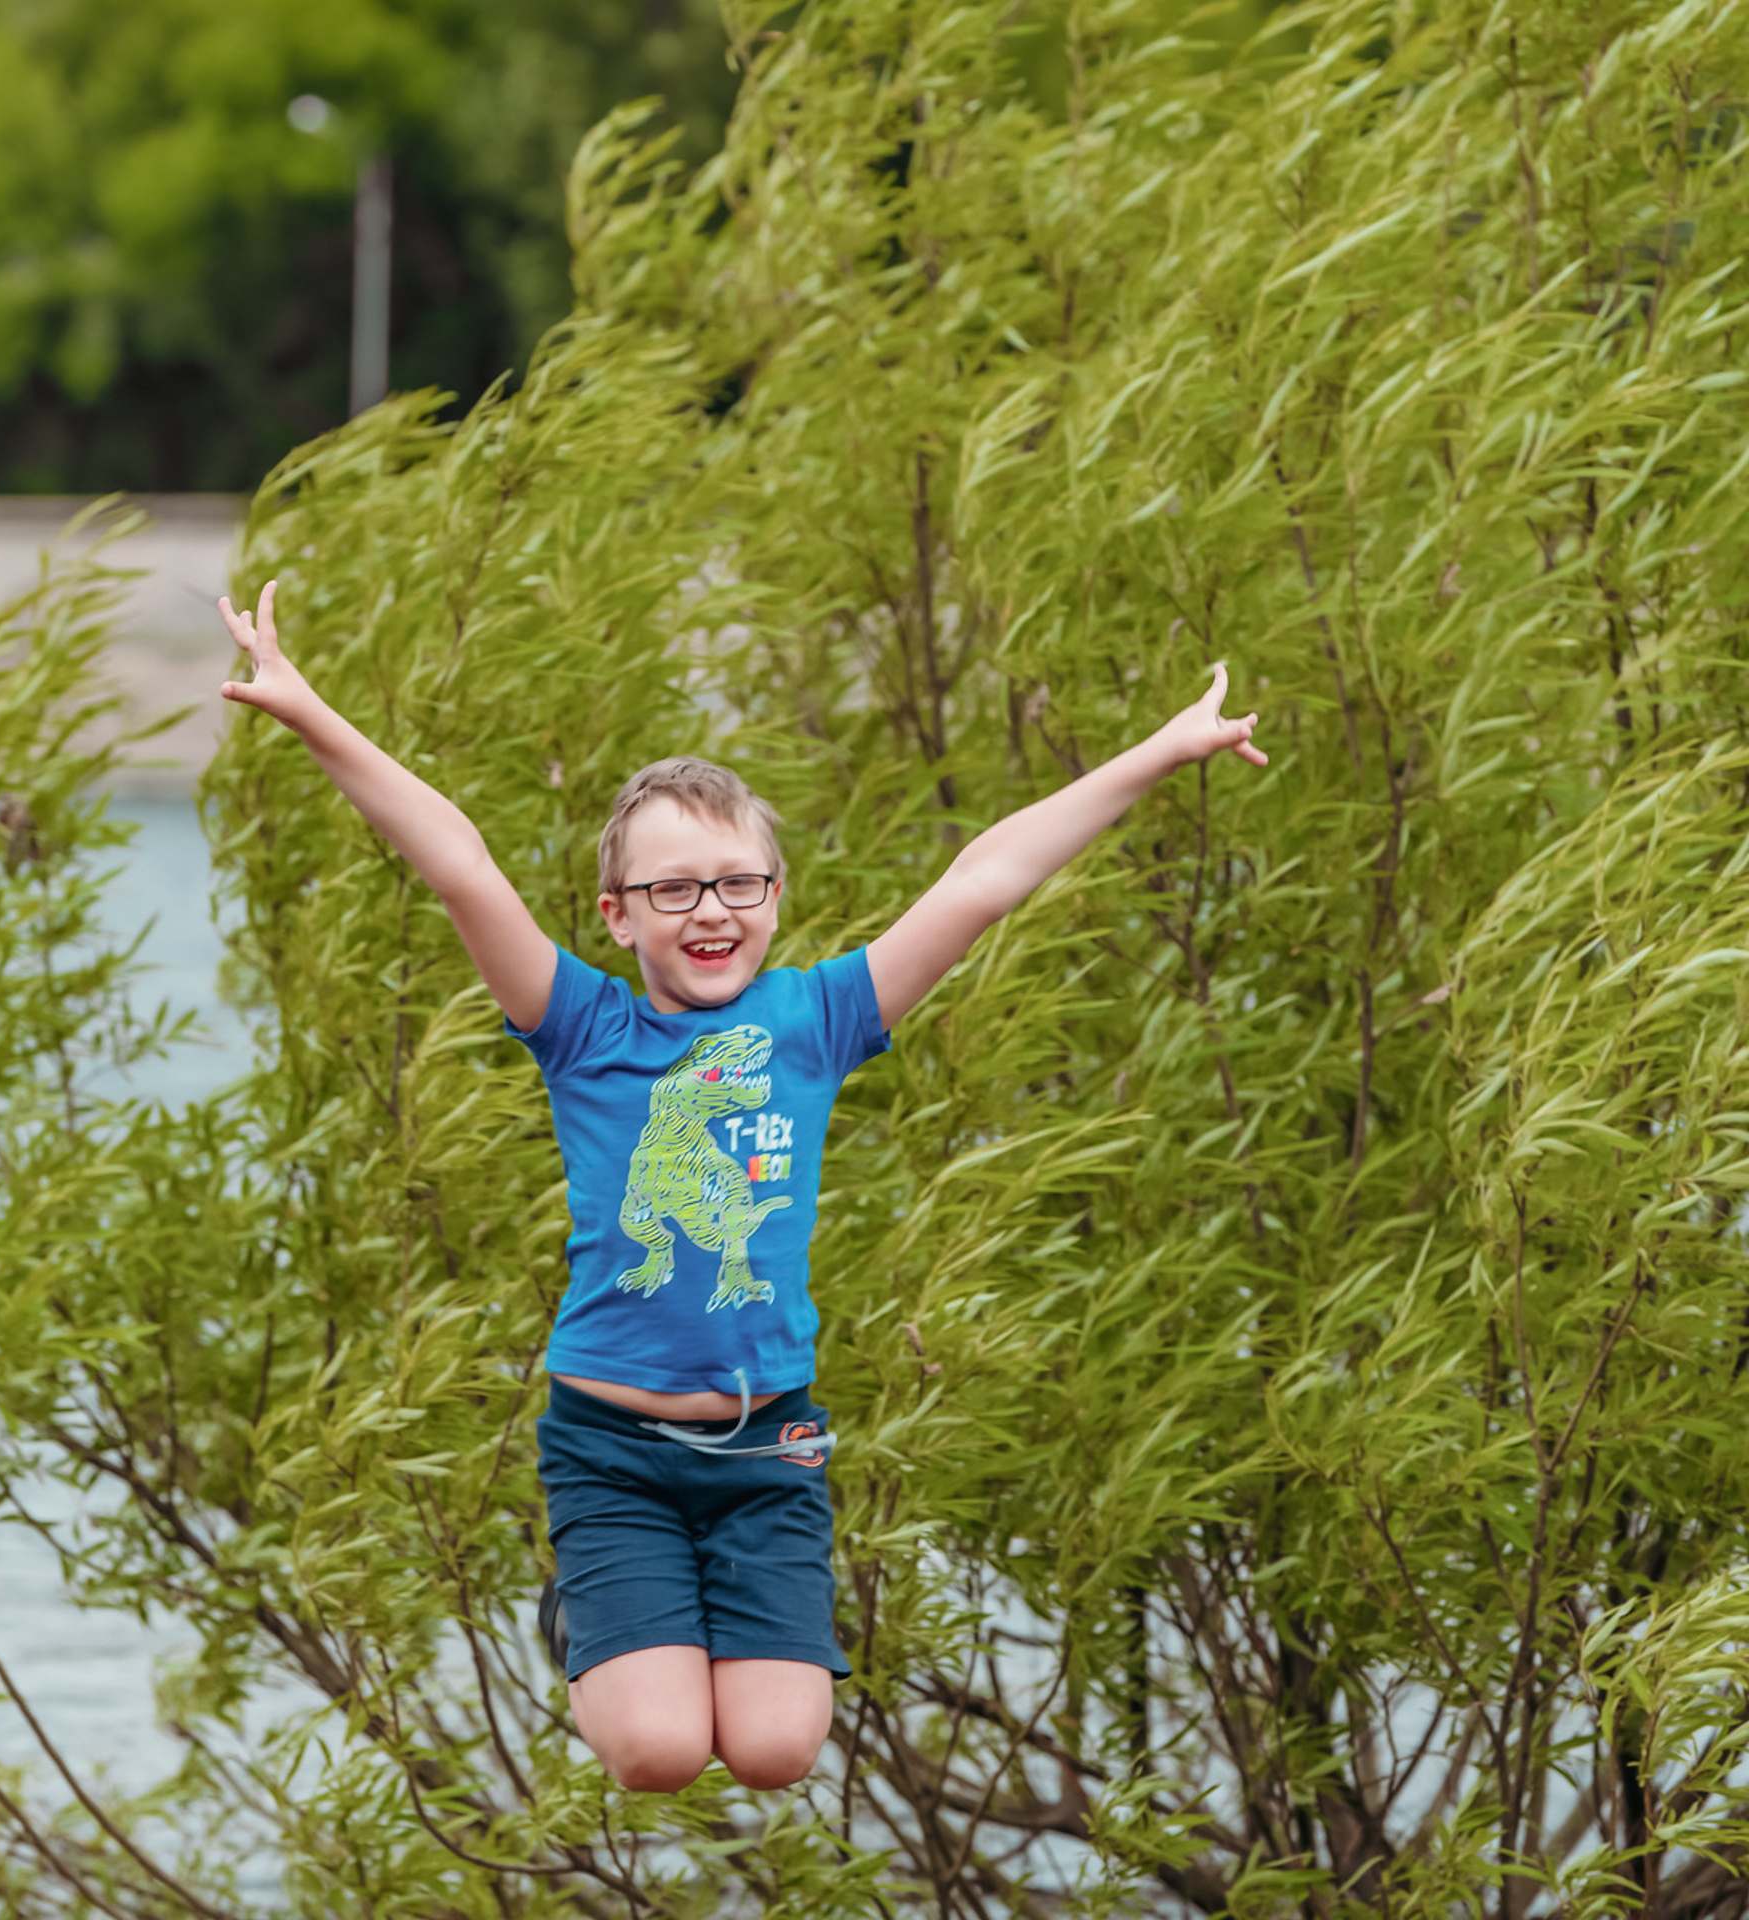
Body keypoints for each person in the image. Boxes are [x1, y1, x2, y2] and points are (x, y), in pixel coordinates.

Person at [217, 580, 1267, 1794]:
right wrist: (310, 713)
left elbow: (986, 879)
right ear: (617, 915)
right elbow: (460, 866)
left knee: (775, 1752)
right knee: (659, 1755)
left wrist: (1164, 749)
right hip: (611, 1448)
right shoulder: (582, 1027)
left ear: (774, 895)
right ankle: (594, 1614)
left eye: (736, 883)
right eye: (673, 890)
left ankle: (686, 1621)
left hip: (772, 1442)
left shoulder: (817, 1017)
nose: (709, 911)